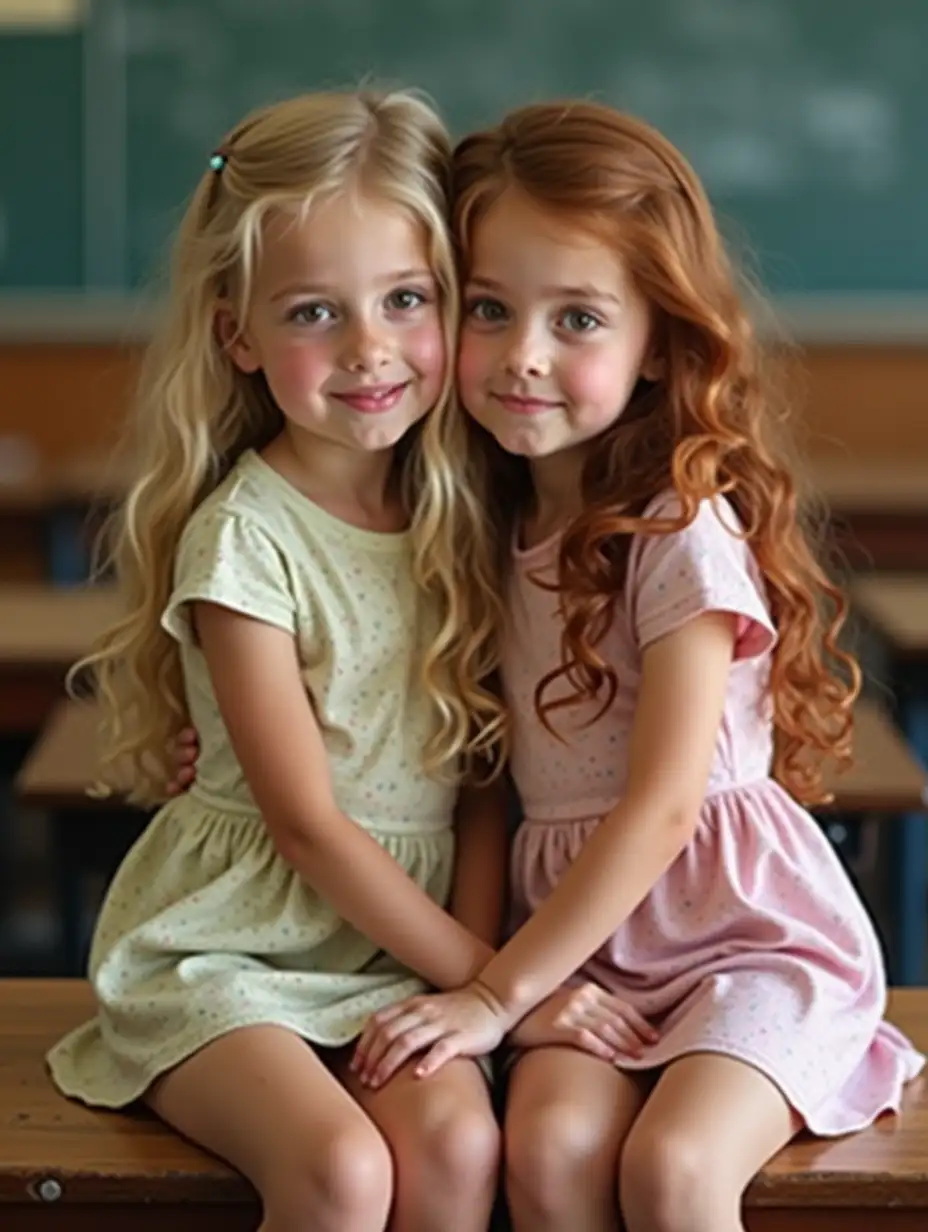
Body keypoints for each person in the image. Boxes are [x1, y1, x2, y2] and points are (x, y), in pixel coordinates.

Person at [352, 101, 926, 1232]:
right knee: (554, 1148)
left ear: (660, 341)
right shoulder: (481, 527)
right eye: (490, 310)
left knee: (671, 1170)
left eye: (577, 319)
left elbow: (664, 806)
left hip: (748, 942)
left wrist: (493, 991)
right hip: (589, 951)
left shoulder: (676, 528)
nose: (525, 354)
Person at [46, 89, 509, 1232]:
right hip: (228, 951)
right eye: (314, 312)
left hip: (402, 951)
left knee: (455, 1143)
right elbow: (305, 824)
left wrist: (479, 982)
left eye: (407, 300)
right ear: (237, 333)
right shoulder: (243, 540)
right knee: (342, 1172)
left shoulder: (472, 516)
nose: (369, 349)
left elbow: (489, 778)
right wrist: (496, 982)